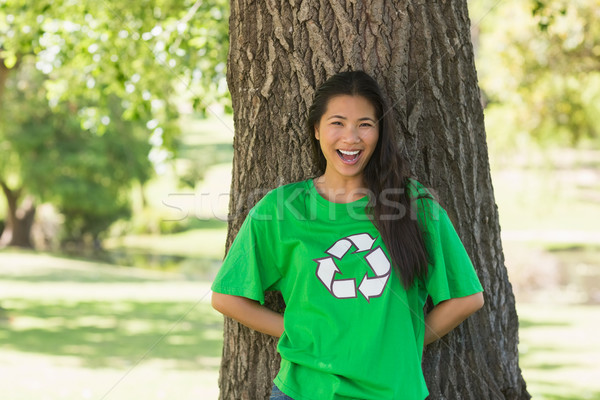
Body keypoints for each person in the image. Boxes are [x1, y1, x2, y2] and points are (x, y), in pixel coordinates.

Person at [211, 70, 484, 400]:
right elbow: (227, 296)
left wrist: (402, 338)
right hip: (306, 390)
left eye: (365, 124)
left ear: (380, 132)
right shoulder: (282, 209)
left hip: (394, 391)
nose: (351, 137)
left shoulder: (414, 206)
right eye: (337, 123)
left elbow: (467, 297)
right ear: (316, 129)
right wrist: (297, 330)